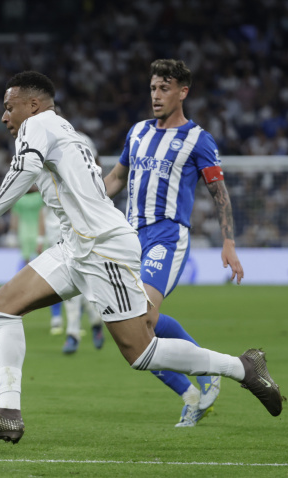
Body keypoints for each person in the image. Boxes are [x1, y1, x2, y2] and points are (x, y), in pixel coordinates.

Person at [0, 71, 283, 445]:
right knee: (3, 306)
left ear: (33, 104)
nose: (4, 117)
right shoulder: (63, 129)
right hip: (77, 245)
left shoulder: (37, 125)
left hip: (102, 246)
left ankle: (242, 367)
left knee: (141, 353)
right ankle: (7, 412)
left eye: (9, 108)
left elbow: (23, 170)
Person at [102, 59, 244, 427]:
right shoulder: (137, 133)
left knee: (145, 317)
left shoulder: (199, 140)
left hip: (167, 235)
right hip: (130, 236)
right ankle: (191, 392)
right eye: (153, 88)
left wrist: (228, 242)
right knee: (128, 325)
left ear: (183, 92)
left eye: (165, 88)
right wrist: (86, 206)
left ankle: (209, 372)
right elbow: (117, 177)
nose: (156, 95)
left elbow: (220, 194)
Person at [40, 129, 105, 353]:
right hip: (54, 224)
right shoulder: (37, 141)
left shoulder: (81, 140)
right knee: (70, 278)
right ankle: (83, 328)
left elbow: (96, 167)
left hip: (80, 219)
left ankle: (81, 330)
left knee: (82, 276)